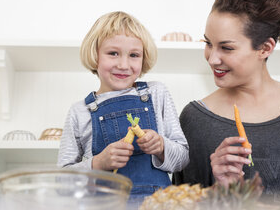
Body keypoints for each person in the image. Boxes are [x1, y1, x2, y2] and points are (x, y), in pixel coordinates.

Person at [173, 0, 280, 208]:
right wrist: (219, 191)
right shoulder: (195, 119)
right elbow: (180, 203)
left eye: (227, 48)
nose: (212, 58)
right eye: (208, 43)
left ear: (265, 48)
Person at [58, 11, 189, 199]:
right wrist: (97, 164)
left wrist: (161, 146)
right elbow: (63, 183)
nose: (123, 64)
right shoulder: (80, 111)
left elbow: (183, 159)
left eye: (134, 55)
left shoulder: (156, 93)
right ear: (95, 55)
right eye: (113, 53)